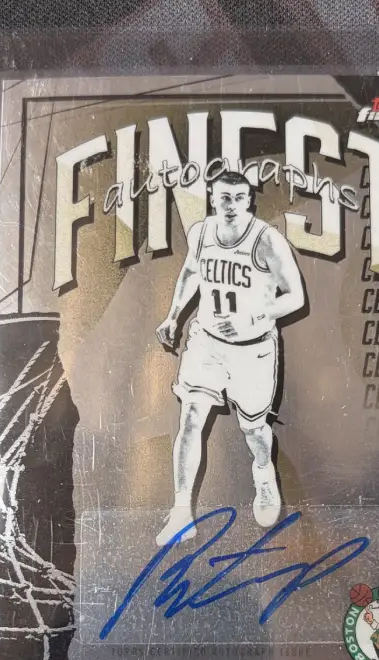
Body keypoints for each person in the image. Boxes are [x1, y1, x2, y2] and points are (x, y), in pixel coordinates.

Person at [154, 170, 305, 546]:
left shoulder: (266, 240)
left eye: (239, 198)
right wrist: (173, 315)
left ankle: (263, 472)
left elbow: (295, 296)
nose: (232, 205)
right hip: (207, 342)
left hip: (252, 350)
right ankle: (181, 511)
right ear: (212, 198)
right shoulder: (201, 232)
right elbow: (191, 272)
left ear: (249, 200)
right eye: (224, 198)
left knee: (253, 429)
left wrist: (254, 317)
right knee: (191, 419)